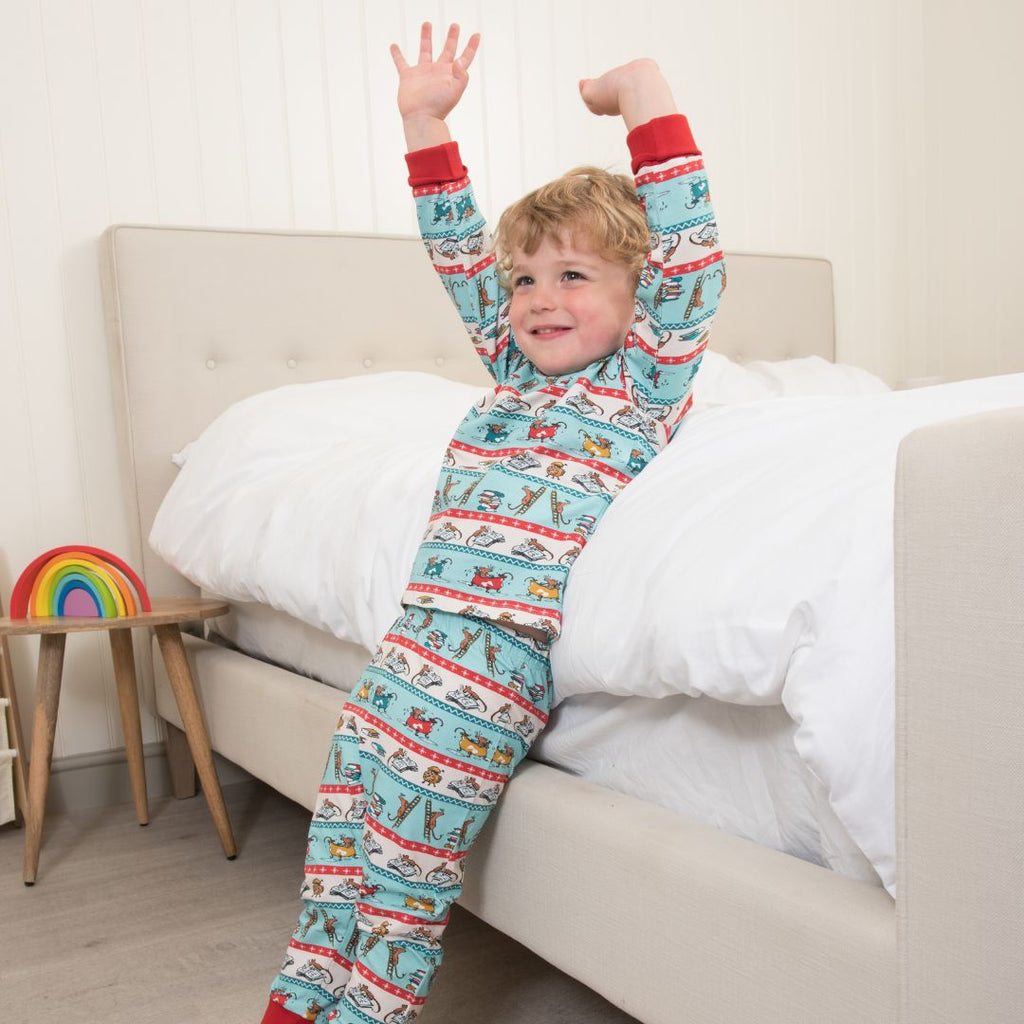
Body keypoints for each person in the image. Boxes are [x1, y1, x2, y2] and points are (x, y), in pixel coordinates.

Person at [260, 22, 723, 1024]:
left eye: (573, 276)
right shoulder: (512, 371)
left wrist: (642, 97)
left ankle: (363, 1013)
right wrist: (424, 120)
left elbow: (690, 252)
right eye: (525, 279)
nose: (538, 299)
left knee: (400, 886)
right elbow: (457, 246)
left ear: (638, 298)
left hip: (488, 665)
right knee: (338, 848)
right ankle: (297, 1002)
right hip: (405, 646)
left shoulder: (641, 385)